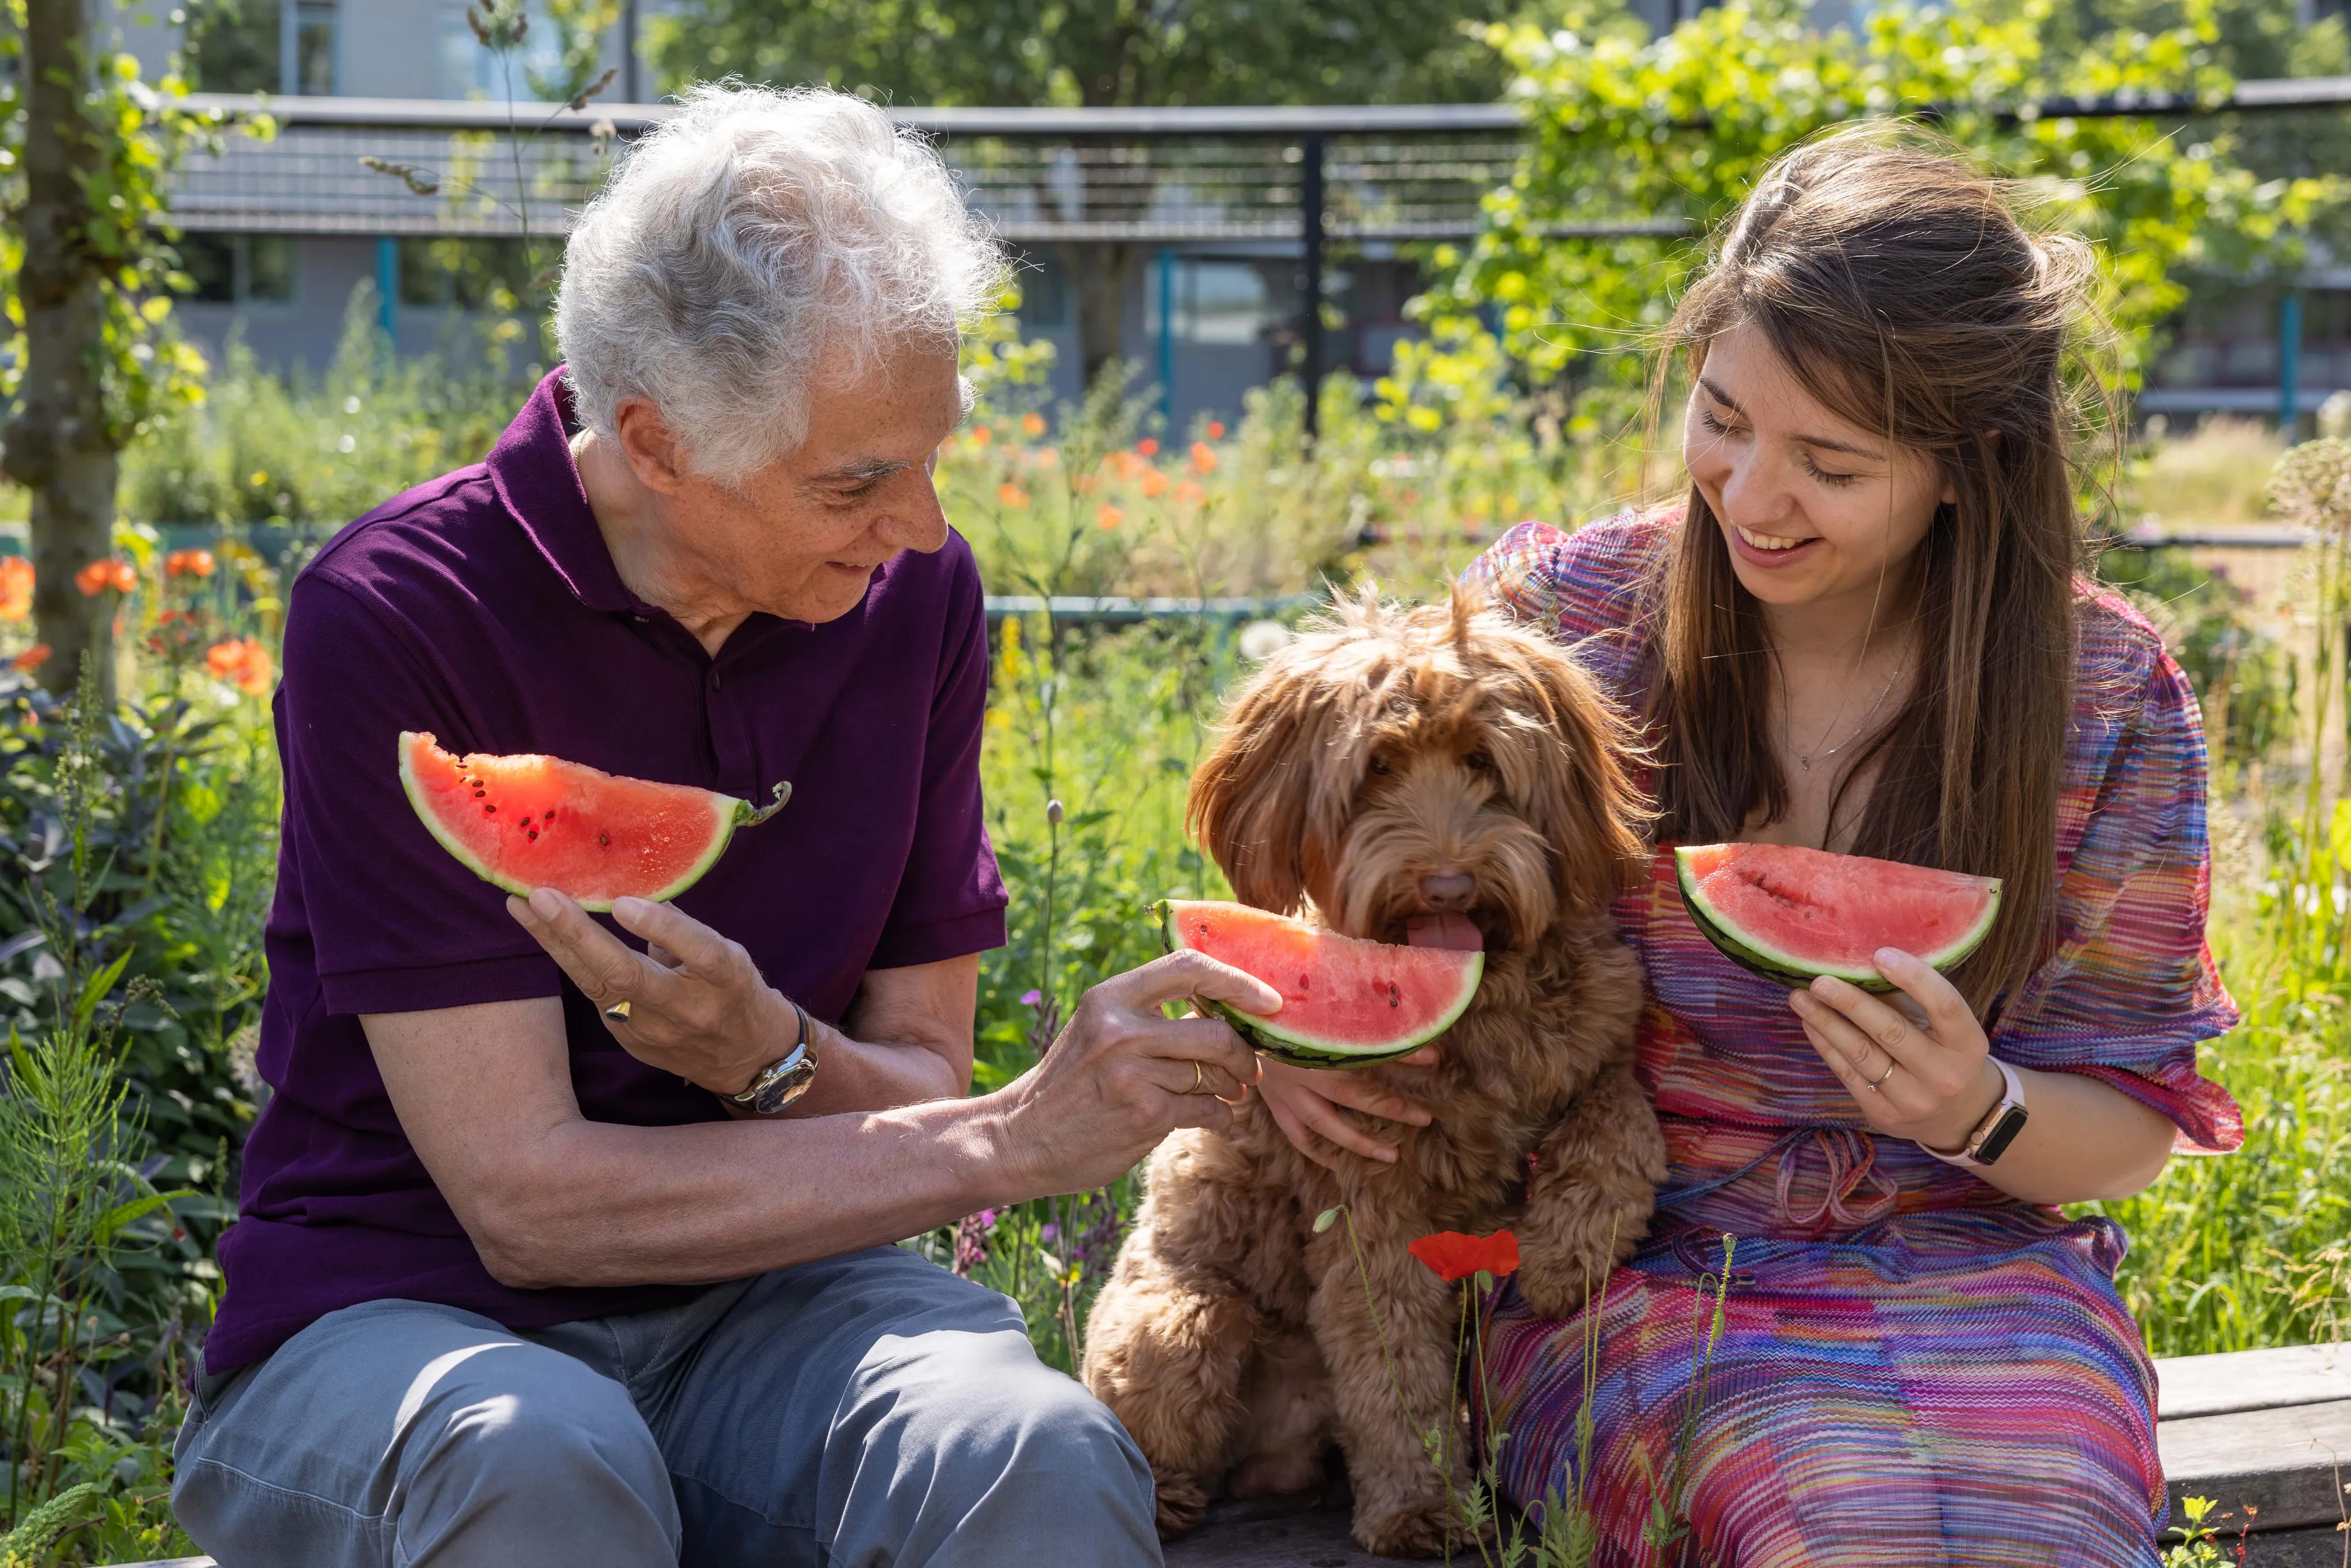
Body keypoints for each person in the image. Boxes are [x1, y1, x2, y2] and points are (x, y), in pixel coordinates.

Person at [170, 84, 1278, 1568]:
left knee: (1037, 1453)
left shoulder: (911, 601)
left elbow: (913, 1078)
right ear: (659, 442)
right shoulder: (396, 614)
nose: (927, 527)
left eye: (932, 456)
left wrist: (768, 1055)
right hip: (399, 1309)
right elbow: (526, 1203)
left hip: (784, 1301)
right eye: (859, 480)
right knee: (540, 1469)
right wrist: (1016, 1137)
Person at [1252, 126, 2241, 1565]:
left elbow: (2130, 1127)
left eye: (1828, 463)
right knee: (1823, 1527)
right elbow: (1334, 828)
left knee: (2039, 1534)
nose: (1748, 495)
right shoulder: (1569, 616)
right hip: (1616, 1276)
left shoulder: (2099, 698)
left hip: (1985, 1275)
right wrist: (1292, 1034)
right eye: (1722, 417)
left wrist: (1979, 1106)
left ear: (1964, 470)